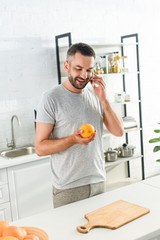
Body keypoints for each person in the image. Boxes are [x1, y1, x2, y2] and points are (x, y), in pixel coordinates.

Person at [35, 43, 124, 208]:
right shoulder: (51, 98)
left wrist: (104, 99)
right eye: (78, 68)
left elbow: (119, 131)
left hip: (97, 181)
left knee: (98, 233)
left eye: (89, 70)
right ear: (67, 66)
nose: (84, 75)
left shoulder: (95, 93)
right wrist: (72, 139)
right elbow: (40, 148)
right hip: (69, 188)